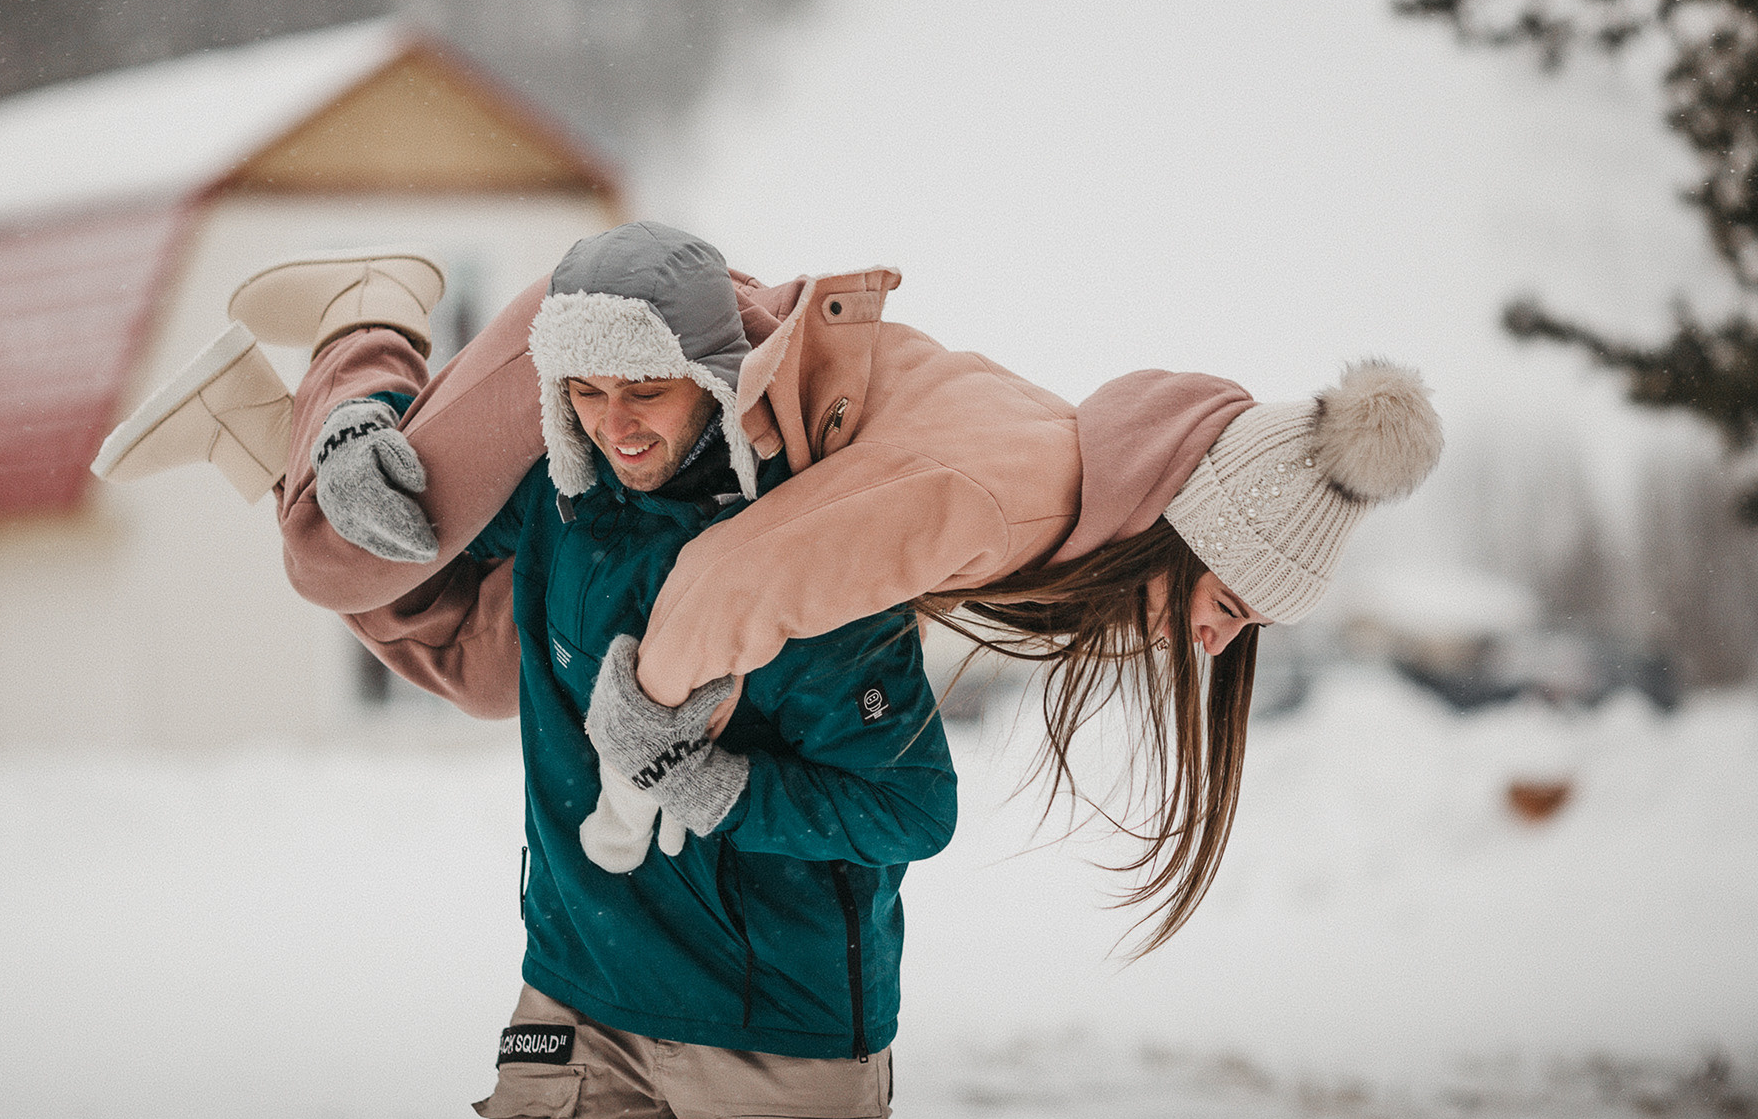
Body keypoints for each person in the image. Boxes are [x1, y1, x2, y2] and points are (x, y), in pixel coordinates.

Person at [95, 223, 1443, 955]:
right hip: (616, 356)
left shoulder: (1051, 496)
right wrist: (652, 726)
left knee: (488, 661)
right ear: (1177, 530)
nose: (1217, 640)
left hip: (668, 457)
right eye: (1230, 603)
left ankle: (237, 419)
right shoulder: (1007, 496)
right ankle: (371, 323)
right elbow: (749, 570)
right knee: (339, 546)